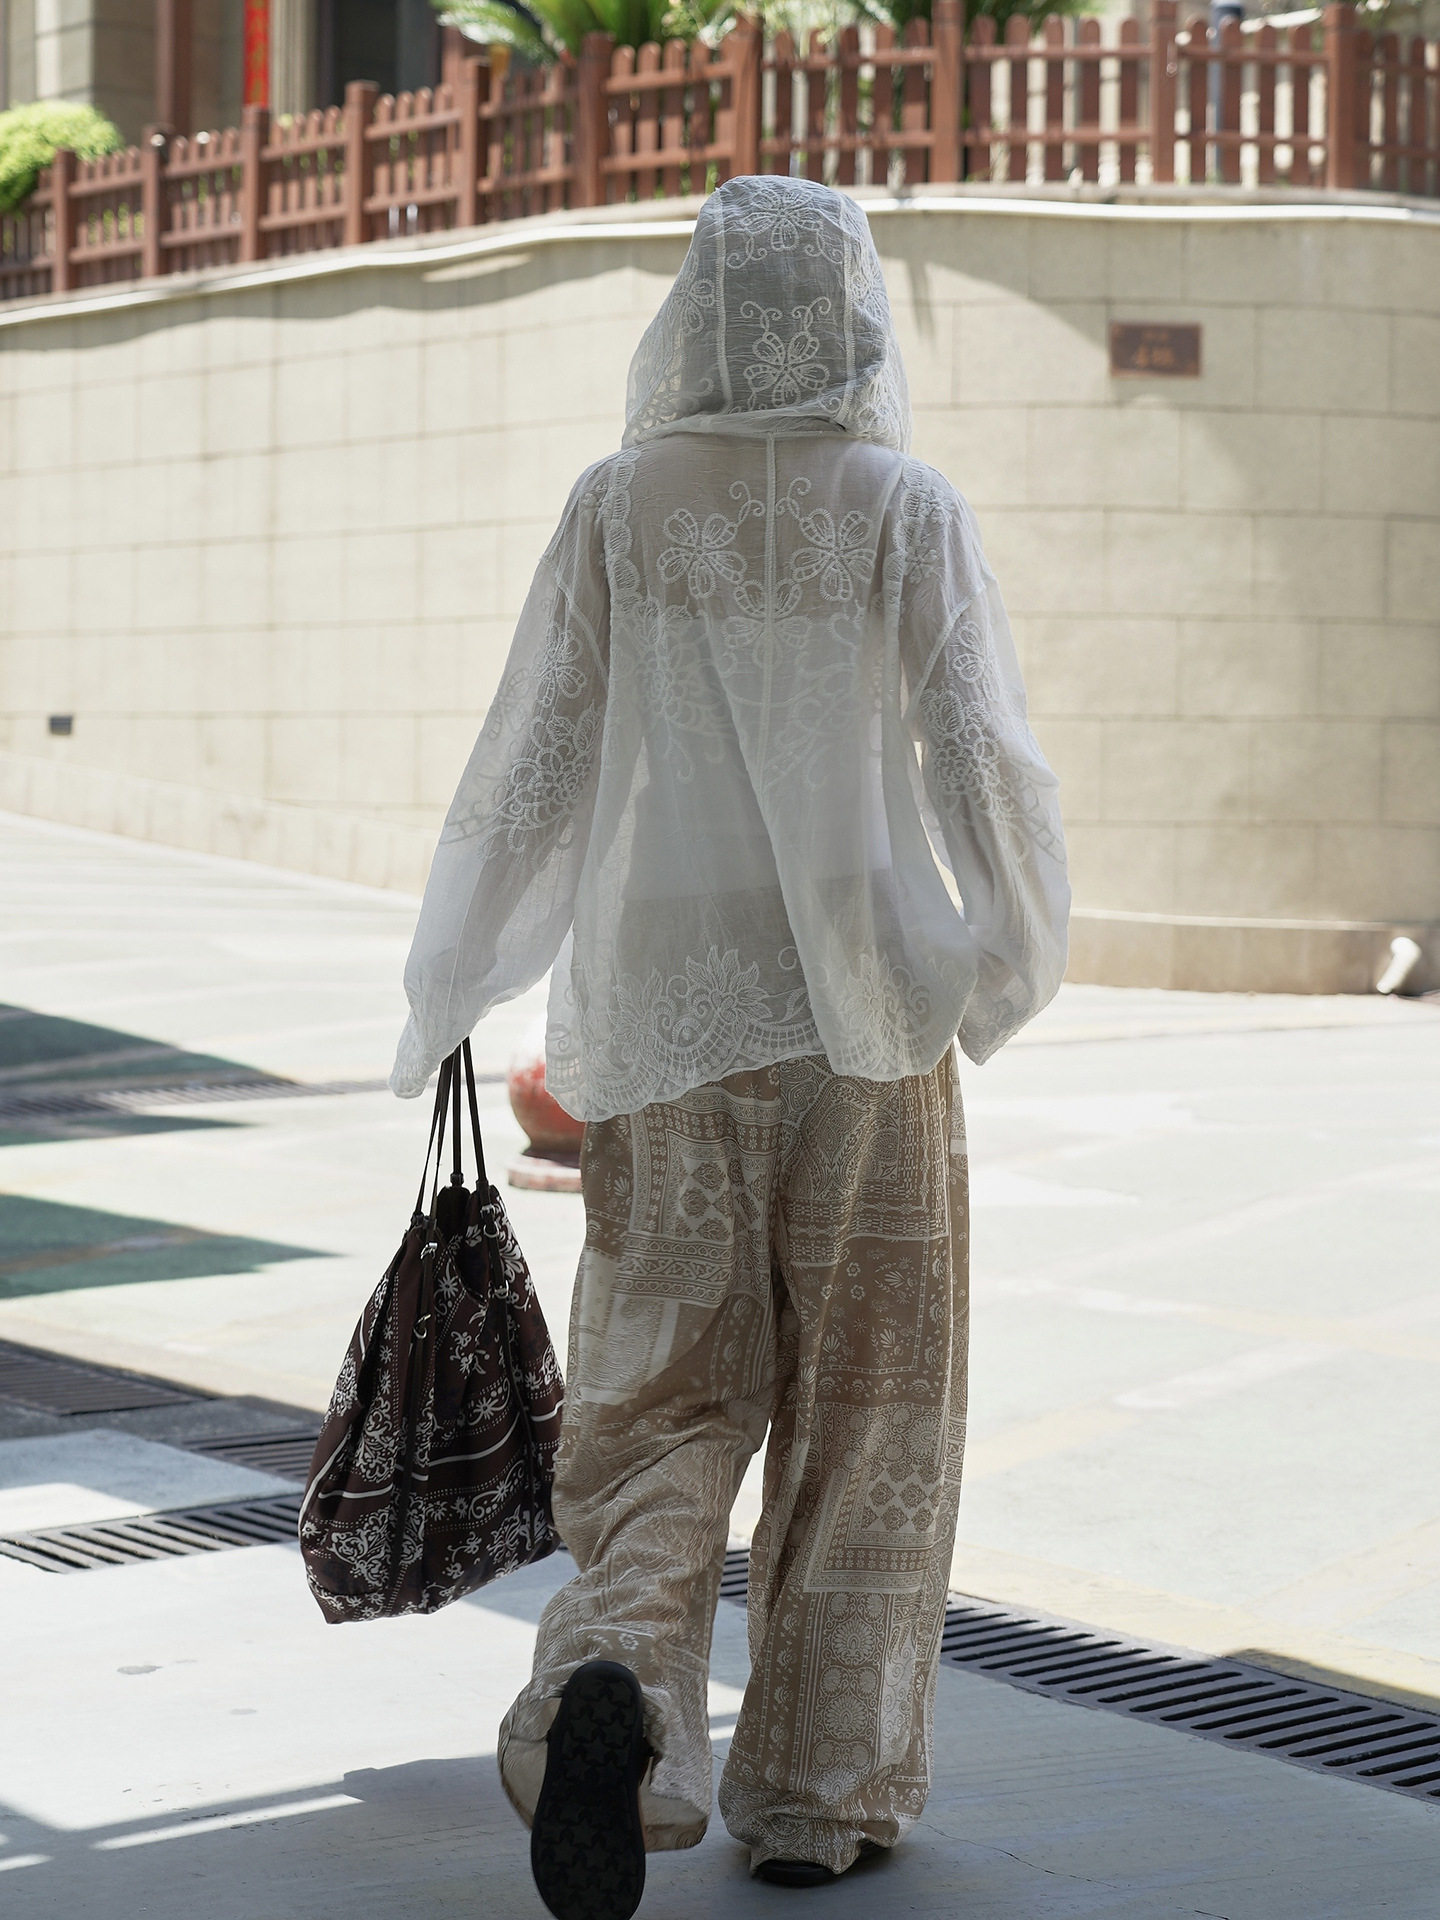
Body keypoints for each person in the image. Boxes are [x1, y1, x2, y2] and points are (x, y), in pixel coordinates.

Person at [391, 174, 1069, 1920]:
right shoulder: (905, 507)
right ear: (847, 309)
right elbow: (981, 754)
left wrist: (451, 974)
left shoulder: (618, 507)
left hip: (672, 1012)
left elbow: (535, 753)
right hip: (867, 1020)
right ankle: (816, 1799)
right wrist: (1008, 957)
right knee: (870, 1406)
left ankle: (618, 1685)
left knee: (661, 1400)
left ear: (696, 311)